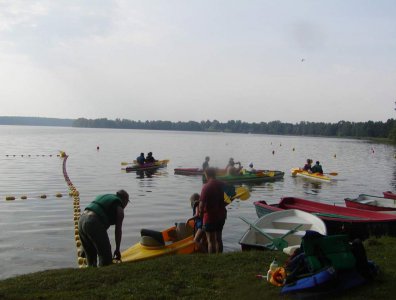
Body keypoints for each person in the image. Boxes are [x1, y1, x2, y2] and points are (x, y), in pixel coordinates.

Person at [78, 190, 130, 267]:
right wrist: (117, 249)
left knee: (90, 258)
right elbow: (118, 230)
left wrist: (84, 245)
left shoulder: (106, 197)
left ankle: (92, 274)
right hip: (93, 221)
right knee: (106, 258)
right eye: (127, 202)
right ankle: (104, 275)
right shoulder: (119, 208)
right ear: (124, 200)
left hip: (81, 219)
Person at [199, 168, 227, 254]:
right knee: (219, 239)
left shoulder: (206, 187)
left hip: (210, 217)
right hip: (221, 215)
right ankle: (220, 257)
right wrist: (223, 204)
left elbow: (201, 206)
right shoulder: (223, 184)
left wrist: (200, 215)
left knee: (210, 241)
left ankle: (213, 260)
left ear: (207, 175)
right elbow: (231, 197)